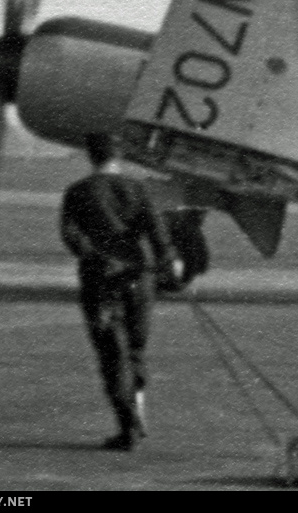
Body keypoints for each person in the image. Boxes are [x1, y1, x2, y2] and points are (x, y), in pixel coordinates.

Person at [60, 132, 183, 451]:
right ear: (118, 156)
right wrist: (170, 263)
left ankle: (129, 427)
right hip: (138, 279)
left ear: (90, 157)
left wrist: (97, 256)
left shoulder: (76, 192)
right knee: (135, 351)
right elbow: (157, 232)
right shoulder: (137, 189)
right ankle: (137, 420)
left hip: (100, 281)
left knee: (112, 355)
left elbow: (71, 236)